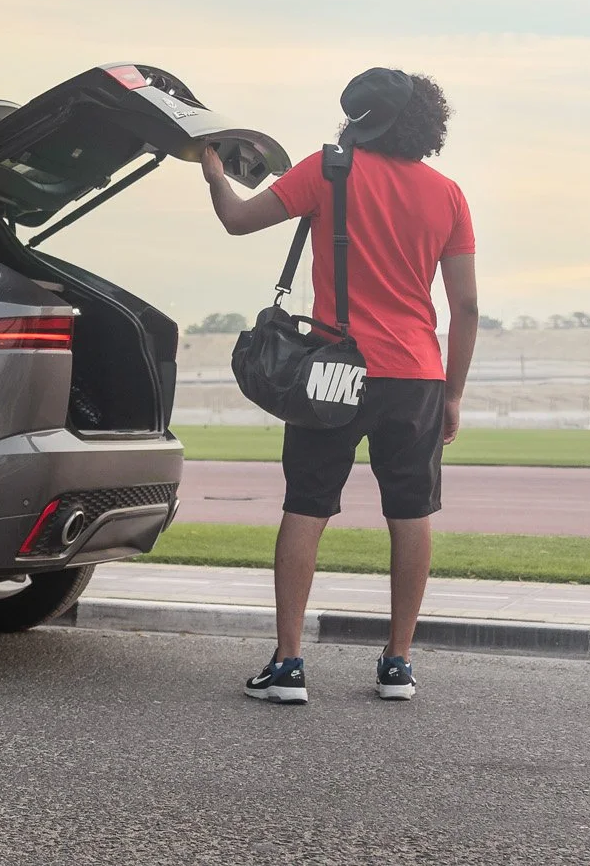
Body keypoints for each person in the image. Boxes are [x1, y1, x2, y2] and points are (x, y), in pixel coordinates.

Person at [200, 68, 477, 704]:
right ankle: (398, 663)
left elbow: (238, 222)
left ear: (359, 119)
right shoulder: (449, 195)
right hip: (416, 376)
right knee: (412, 513)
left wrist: (216, 175)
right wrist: (453, 393)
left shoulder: (329, 169)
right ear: (424, 123)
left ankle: (289, 666)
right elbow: (466, 307)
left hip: (333, 368)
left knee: (307, 506)